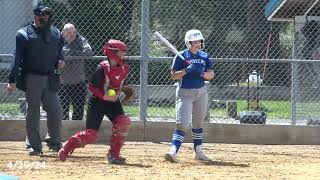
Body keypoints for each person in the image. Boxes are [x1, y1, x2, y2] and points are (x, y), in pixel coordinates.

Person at [58, 39, 134, 164]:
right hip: (98, 102)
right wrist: (104, 96)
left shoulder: (124, 68)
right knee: (91, 135)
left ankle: (113, 155)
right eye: (121, 52)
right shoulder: (102, 68)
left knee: (123, 122)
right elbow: (92, 87)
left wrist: (123, 92)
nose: (123, 55)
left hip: (112, 102)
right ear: (112, 52)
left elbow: (117, 83)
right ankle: (66, 147)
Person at [7, 2, 65, 155]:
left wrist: (61, 60)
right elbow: (17, 58)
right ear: (35, 15)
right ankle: (34, 145)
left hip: (51, 77)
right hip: (32, 77)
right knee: (33, 111)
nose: (45, 17)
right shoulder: (24, 33)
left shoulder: (56, 33)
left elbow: (59, 53)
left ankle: (54, 141)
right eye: (42, 14)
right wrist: (12, 80)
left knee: (56, 110)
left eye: (47, 14)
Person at [165, 29, 215, 163]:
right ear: (188, 43)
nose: (197, 44)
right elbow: (173, 76)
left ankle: (199, 152)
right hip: (185, 93)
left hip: (201, 92)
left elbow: (211, 75)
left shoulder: (205, 56)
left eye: (199, 41)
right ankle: (173, 152)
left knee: (198, 122)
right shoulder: (181, 56)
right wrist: (187, 70)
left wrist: (201, 73)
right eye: (194, 41)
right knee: (182, 123)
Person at [60, 23, 93, 120]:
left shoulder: (80, 39)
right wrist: (77, 55)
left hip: (78, 84)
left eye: (74, 32)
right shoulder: (58, 39)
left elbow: (88, 52)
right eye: (69, 32)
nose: (72, 34)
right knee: (62, 114)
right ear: (63, 33)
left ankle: (77, 134)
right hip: (62, 84)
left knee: (78, 114)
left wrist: (69, 54)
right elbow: (58, 52)